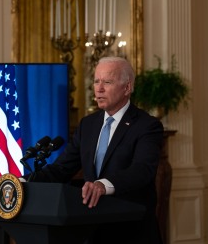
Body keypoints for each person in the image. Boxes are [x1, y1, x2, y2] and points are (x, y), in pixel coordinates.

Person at [28, 56, 164, 244]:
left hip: (131, 232)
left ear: (127, 87)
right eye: (96, 81)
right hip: (92, 230)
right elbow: (61, 169)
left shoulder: (147, 126)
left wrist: (102, 185)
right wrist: (20, 182)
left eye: (107, 82)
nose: (99, 89)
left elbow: (142, 170)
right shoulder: (88, 125)